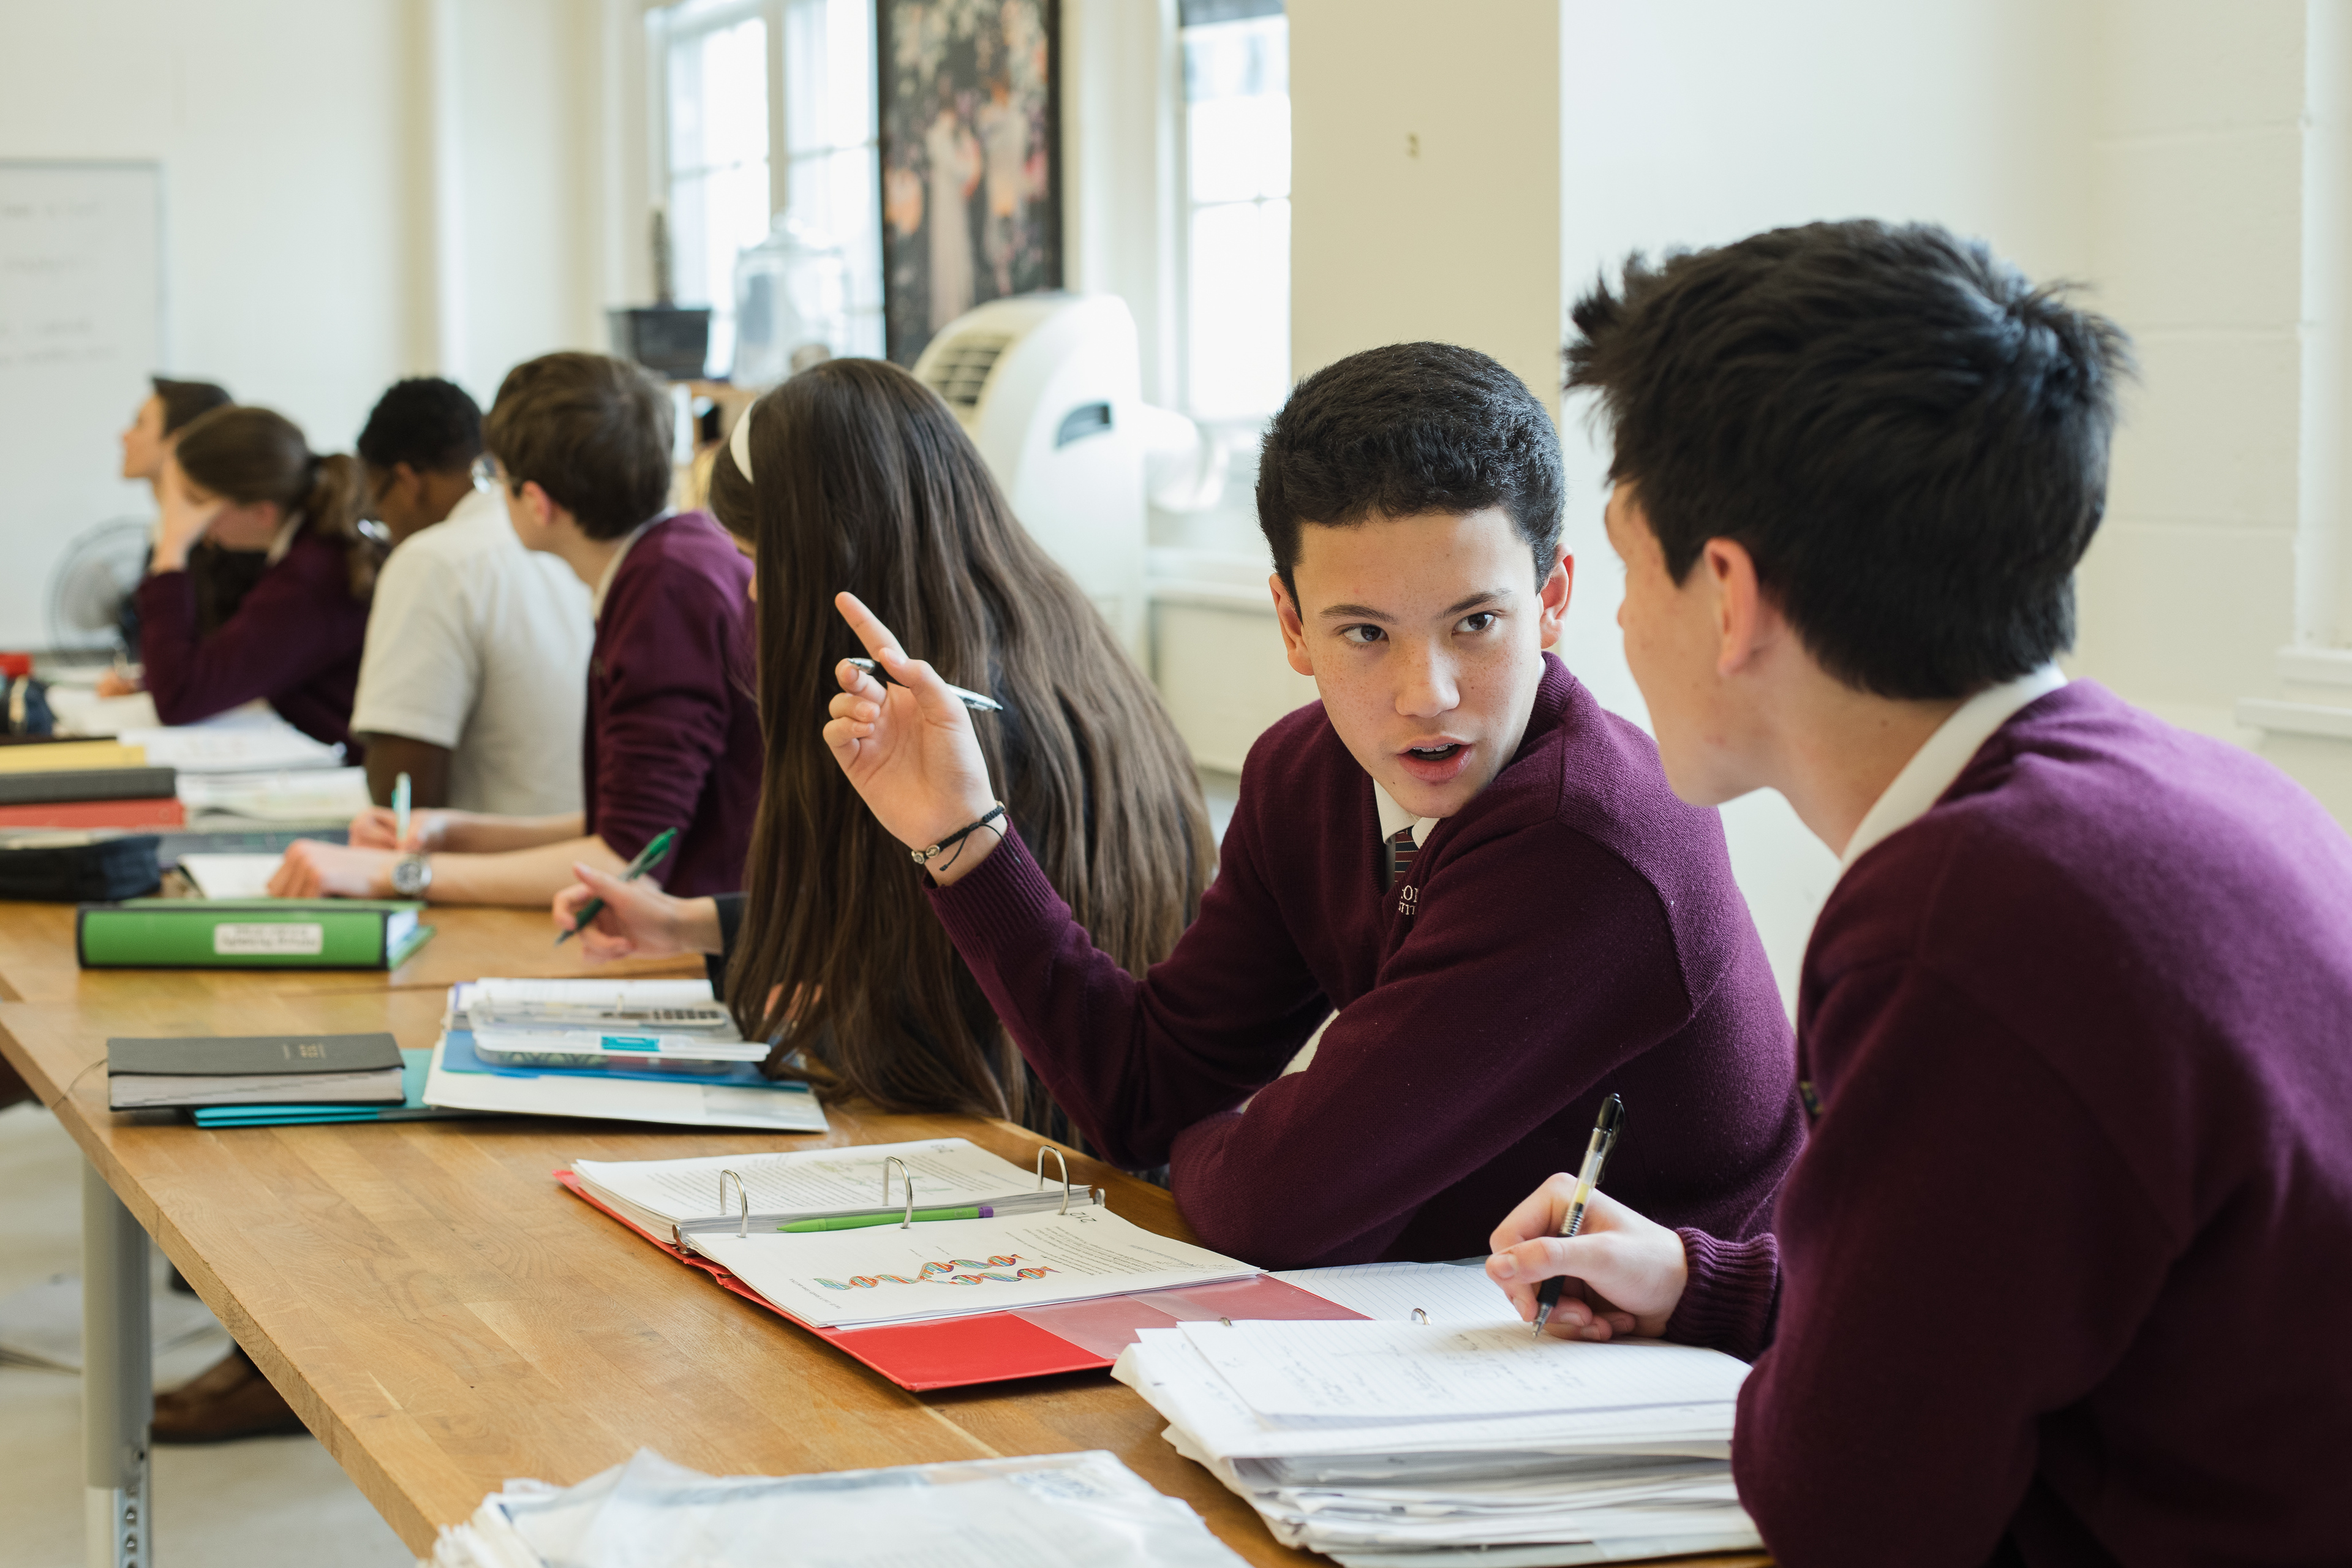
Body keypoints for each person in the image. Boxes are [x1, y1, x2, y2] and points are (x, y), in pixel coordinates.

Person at [1483, 221, 2352, 1566]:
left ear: (1729, 594)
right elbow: (2021, 1290)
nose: (1618, 626)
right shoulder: (2197, 794)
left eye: (1627, 558)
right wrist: (1713, 1285)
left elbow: (1848, 1505)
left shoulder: (1965, 921)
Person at [814, 342, 1801, 1267]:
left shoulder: (1590, 840)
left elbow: (1272, 1204)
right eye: (1365, 633)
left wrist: (1237, 1143)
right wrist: (962, 835)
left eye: (1476, 622)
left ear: (1551, 599)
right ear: (1291, 624)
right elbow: (1141, 1092)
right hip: (1458, 1314)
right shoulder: (1303, 775)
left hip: (1682, 1355)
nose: (1427, 695)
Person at [551, 358, 1214, 1135]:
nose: (754, 592)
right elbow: (901, 919)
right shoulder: (1052, 634)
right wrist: (682, 922)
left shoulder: (942, 726)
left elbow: (942, 1025)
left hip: (1024, 1146)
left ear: (825, 553)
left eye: (756, 560)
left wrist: (830, 1014)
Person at [270, 352, 758, 906]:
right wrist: (457, 833)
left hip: (697, 934)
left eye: (494, 477)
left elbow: (626, 866)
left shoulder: (663, 593)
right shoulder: (682, 554)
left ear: (535, 501)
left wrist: (396, 874)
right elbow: (631, 824)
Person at [345, 377, 593, 815]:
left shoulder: (432, 561)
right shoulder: (562, 534)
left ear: (406, 481)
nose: (385, 528)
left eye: (377, 508)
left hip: (493, 851)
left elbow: (403, 793)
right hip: (590, 842)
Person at [132, 405, 379, 750]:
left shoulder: (308, 581)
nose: (194, 524)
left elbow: (179, 697)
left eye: (198, 503)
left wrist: (171, 546)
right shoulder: (311, 552)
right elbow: (231, 662)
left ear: (263, 512)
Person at [105, 374, 232, 674]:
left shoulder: (218, 541)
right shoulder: (161, 532)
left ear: (179, 441)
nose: (123, 437)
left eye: (139, 424)